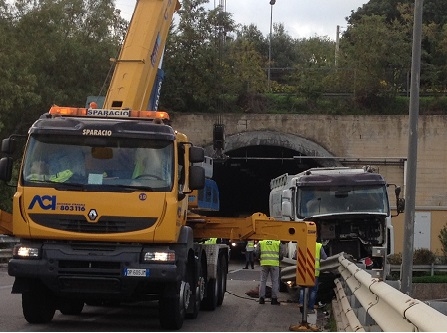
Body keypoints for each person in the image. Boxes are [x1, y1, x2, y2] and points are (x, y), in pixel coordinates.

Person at [299, 241, 328, 313]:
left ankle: (302, 303)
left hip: (303, 271)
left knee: (303, 288)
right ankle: (310, 308)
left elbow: (295, 256)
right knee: (313, 290)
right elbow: (324, 257)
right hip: (314, 271)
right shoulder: (318, 246)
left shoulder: (302, 243)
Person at [255, 239, 285, 305]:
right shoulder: (278, 242)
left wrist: (259, 258)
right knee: (275, 282)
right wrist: (278, 259)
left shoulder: (261, 242)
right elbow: (282, 253)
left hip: (264, 263)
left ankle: (261, 299)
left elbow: (257, 252)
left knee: (263, 281)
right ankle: (274, 299)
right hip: (274, 264)